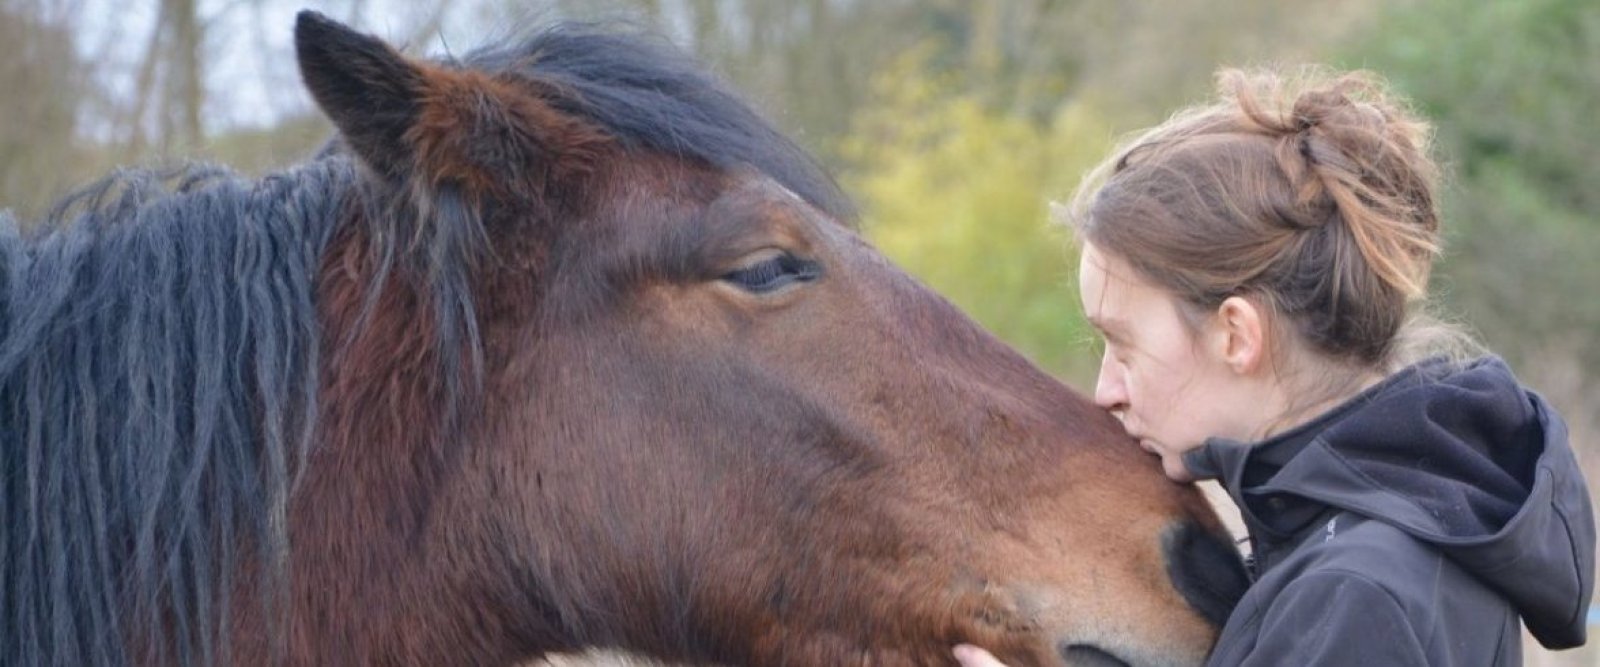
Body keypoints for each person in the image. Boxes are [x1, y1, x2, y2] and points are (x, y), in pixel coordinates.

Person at [954, 67, 1595, 665]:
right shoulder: (1384, 533)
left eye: (1123, 345)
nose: (1106, 391)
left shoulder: (1353, 595)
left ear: (1236, 335)